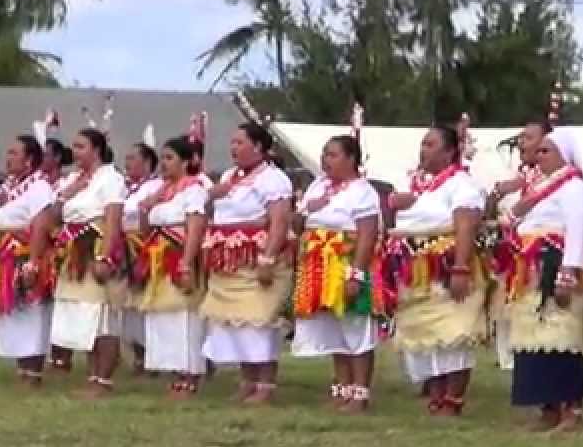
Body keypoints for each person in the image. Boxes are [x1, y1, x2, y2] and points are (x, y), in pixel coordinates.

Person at [382, 124, 489, 416]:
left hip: (445, 265)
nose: (423, 150)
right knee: (427, 332)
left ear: (450, 151)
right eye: (422, 144)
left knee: (453, 330)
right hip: (415, 269)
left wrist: (460, 267)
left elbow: (465, 226)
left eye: (430, 144)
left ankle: (453, 400)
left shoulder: (462, 185)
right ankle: (437, 394)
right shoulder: (423, 186)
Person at [504, 129, 583, 432]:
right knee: (532, 337)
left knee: (562, 335)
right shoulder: (537, 187)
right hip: (530, 268)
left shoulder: (573, 186)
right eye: (539, 151)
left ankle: (571, 410)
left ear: (564, 155)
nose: (540, 155)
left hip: (556, 264)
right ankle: (547, 408)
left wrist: (568, 272)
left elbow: (578, 229)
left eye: (547, 151)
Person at [200, 122, 294, 405]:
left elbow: (279, 222)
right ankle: (247, 380)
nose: (233, 148)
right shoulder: (229, 176)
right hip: (229, 262)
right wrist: (211, 197)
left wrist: (267, 258)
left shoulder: (274, 179)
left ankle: (266, 384)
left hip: (258, 258)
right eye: (232, 142)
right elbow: (213, 213)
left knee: (258, 319)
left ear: (259, 147)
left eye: (240, 143)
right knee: (233, 322)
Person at [293, 135, 382, 412]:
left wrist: (356, 273)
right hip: (318, 265)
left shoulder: (363, 191)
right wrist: (307, 209)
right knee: (334, 329)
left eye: (332, 155)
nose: (325, 160)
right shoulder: (318, 186)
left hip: (346, 262)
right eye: (324, 154)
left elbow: (368, 234)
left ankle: (360, 393)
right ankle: (341, 389)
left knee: (355, 326)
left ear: (351, 159)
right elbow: (299, 225)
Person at [49, 129, 127, 398]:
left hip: (95, 245)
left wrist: (104, 257)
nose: (76, 151)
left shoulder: (111, 178)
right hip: (73, 251)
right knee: (82, 316)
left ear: (96, 149)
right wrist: (66, 194)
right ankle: (92, 376)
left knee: (101, 315)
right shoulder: (72, 178)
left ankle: (103, 380)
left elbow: (113, 220)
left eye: (81, 146)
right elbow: (54, 218)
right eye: (74, 146)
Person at [0, 135, 56, 385]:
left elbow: (41, 225)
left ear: (30, 160)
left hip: (24, 255)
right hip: (3, 257)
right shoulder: (8, 188)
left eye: (14, 153)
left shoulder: (39, 187)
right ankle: (23, 369)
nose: (8, 158)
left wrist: (32, 262)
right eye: (7, 153)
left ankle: (32, 372)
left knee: (31, 311)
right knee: (13, 313)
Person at [134, 137, 208, 399]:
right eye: (162, 158)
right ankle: (175, 372)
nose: (164, 164)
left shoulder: (194, 189)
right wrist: (145, 210)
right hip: (157, 258)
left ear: (186, 162)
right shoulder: (161, 191)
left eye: (169, 158)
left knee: (184, 316)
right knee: (162, 316)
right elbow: (145, 231)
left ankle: (190, 375)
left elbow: (195, 227)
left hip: (178, 255)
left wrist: (186, 263)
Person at [489, 119, 552, 371]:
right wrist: (496, 195)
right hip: (510, 249)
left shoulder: (553, 178)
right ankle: (508, 356)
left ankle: (532, 352)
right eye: (521, 137)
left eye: (528, 137)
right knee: (505, 304)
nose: (522, 142)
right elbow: (492, 214)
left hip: (537, 250)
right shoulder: (518, 176)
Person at [120, 142, 163, 376]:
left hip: (143, 246)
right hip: (124, 247)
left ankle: (152, 356)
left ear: (147, 162)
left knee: (146, 303)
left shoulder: (157, 186)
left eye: (132, 158)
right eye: (126, 159)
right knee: (129, 306)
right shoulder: (126, 188)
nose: (127, 163)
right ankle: (139, 355)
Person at [41, 135, 75, 373]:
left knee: (60, 299)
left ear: (57, 158)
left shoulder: (68, 182)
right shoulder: (34, 183)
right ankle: (47, 350)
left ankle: (62, 355)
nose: (41, 159)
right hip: (37, 245)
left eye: (46, 154)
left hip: (60, 245)